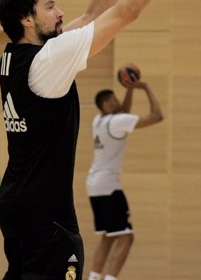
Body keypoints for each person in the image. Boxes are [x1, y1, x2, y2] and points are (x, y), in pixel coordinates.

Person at [0, 0, 186, 280]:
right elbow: (125, 13)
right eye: (50, 7)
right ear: (27, 19)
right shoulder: (49, 59)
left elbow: (93, 15)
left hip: (17, 203)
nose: (61, 12)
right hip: (47, 215)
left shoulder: (15, 55)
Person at [86, 80, 163, 280]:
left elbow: (123, 112)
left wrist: (129, 88)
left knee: (108, 236)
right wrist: (145, 88)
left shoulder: (98, 120)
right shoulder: (117, 121)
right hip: (108, 185)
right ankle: (110, 278)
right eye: (113, 100)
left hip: (94, 184)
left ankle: (94, 277)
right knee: (126, 237)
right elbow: (157, 116)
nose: (117, 101)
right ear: (105, 105)